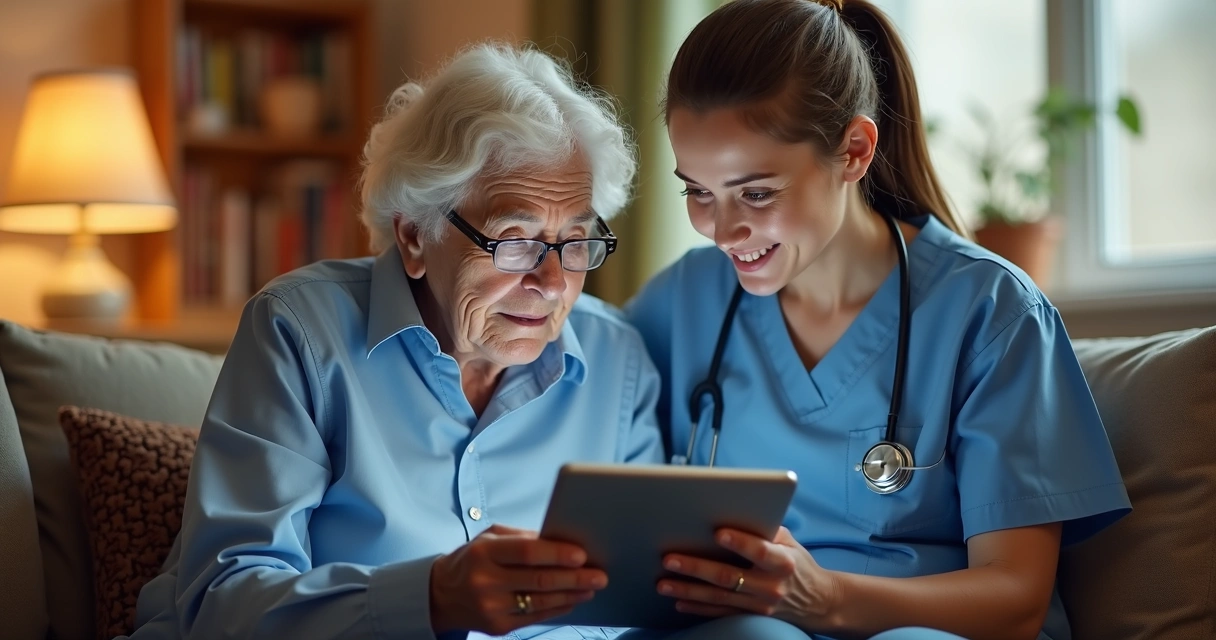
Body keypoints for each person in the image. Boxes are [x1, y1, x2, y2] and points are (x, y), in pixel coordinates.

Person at [121, 43, 669, 640]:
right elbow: (222, 605)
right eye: (514, 241)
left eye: (575, 240)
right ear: (413, 235)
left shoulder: (620, 364)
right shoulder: (300, 332)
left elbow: (633, 612)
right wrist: (433, 600)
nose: (554, 282)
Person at [623, 1, 1131, 639]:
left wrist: (825, 598)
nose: (722, 231)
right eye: (697, 190)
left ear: (856, 151)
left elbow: (1016, 599)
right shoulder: (682, 302)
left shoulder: (989, 311)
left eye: (756, 193)